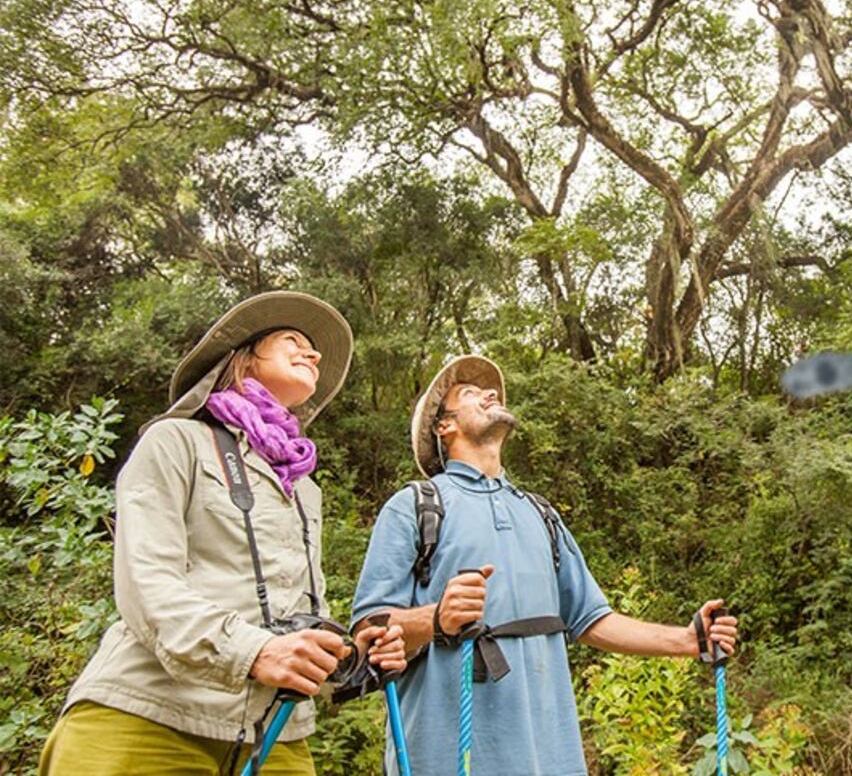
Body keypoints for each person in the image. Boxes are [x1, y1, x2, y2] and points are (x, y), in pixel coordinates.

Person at [39, 291, 407, 776]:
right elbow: (147, 584)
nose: (312, 354)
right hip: (147, 716)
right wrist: (255, 652)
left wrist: (354, 657)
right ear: (243, 361)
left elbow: (302, 616)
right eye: (291, 340)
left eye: (313, 350)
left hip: (275, 735)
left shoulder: (304, 489)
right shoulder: (175, 441)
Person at [352, 355, 739, 775]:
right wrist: (436, 618)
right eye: (469, 393)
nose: (490, 394)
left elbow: (591, 620)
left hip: (551, 757)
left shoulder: (540, 514)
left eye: (490, 391)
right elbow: (369, 631)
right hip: (447, 757)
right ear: (444, 426)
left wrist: (687, 641)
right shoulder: (415, 506)